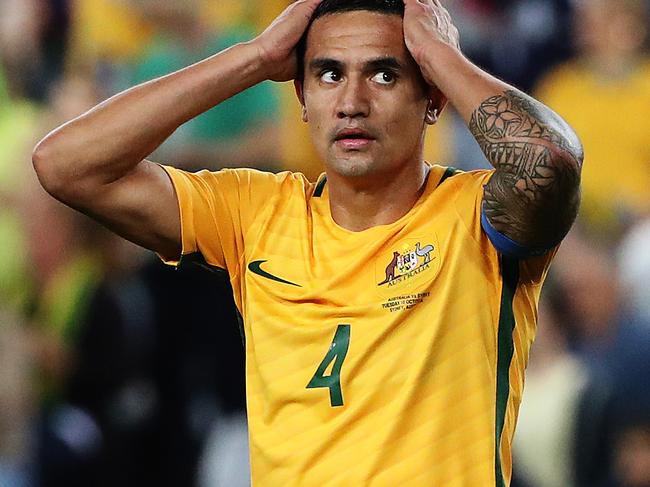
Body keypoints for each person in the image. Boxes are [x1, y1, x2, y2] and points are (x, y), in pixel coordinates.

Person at [32, 0, 583, 484]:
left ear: (432, 97)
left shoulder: (475, 216)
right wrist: (253, 57)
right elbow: (65, 165)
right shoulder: (254, 214)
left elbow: (550, 163)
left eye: (384, 75)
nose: (352, 102)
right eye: (328, 75)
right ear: (301, 93)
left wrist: (441, 56)